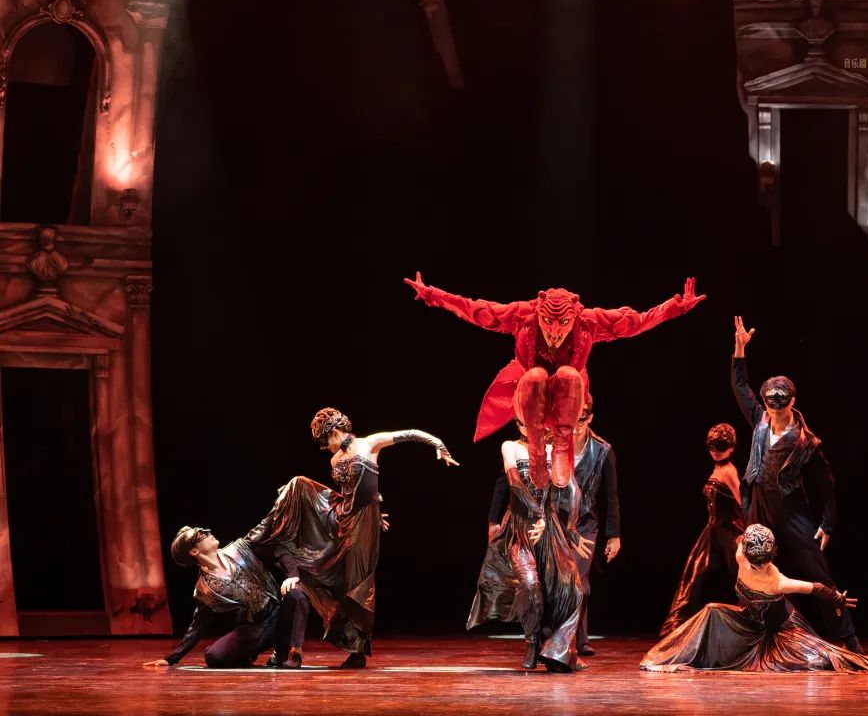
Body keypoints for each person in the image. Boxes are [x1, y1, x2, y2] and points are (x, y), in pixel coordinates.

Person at [405, 272, 704, 488]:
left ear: (574, 317)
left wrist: (675, 307)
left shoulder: (588, 321)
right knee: (535, 374)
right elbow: (477, 311)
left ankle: (561, 446)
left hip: (567, 401)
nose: (554, 331)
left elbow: (635, 322)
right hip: (529, 396)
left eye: (563, 323)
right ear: (539, 314)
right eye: (548, 322)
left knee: (569, 374)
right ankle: (537, 450)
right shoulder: (523, 315)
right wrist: (432, 295)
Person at [246, 407, 458, 668]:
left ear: (335, 431)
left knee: (357, 582)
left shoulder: (370, 444)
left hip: (363, 523)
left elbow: (410, 434)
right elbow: (347, 494)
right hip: (341, 518)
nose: (325, 447)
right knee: (298, 484)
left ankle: (358, 651)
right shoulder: (335, 460)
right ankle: (263, 532)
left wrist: (438, 444)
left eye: (325, 441)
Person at [730, 315, 861, 652]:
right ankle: (759, 632)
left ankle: (846, 636)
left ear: (791, 402)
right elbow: (741, 388)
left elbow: (826, 485)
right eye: (770, 404)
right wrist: (740, 351)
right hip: (759, 500)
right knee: (752, 564)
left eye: (780, 404)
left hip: (789, 508)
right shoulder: (760, 421)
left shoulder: (806, 442)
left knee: (814, 568)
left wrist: (827, 523)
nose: (774, 410)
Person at [640, 525, 868, 674]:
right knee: (712, 611)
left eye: (765, 561)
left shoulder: (778, 582)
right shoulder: (741, 557)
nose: (761, 565)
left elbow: (815, 587)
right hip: (750, 624)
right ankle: (680, 655)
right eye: (757, 561)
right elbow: (741, 537)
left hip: (781, 631)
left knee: (819, 660)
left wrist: (837, 600)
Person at [467, 423, 592, 672]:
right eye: (523, 421)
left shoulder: (552, 450)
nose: (529, 426)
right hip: (520, 527)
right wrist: (537, 515)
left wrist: (570, 530)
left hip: (549, 529)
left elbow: (568, 491)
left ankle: (557, 650)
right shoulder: (510, 447)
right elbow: (514, 484)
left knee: (572, 590)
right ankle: (532, 643)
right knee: (530, 585)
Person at [142, 527, 298, 669]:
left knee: (296, 597)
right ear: (194, 551)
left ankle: (282, 649)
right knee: (214, 657)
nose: (208, 532)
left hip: (278, 613)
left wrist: (292, 575)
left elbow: (273, 540)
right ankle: (249, 653)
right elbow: (198, 625)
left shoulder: (239, 549)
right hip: (254, 629)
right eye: (200, 535)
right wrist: (171, 658)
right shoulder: (205, 588)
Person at [659, 423, 745, 637]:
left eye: (721, 446)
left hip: (729, 531)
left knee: (742, 576)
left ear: (731, 447)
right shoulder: (718, 468)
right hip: (713, 531)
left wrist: (747, 534)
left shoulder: (729, 471)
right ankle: (677, 626)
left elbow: (743, 503)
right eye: (712, 446)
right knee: (693, 574)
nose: (715, 450)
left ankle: (754, 622)